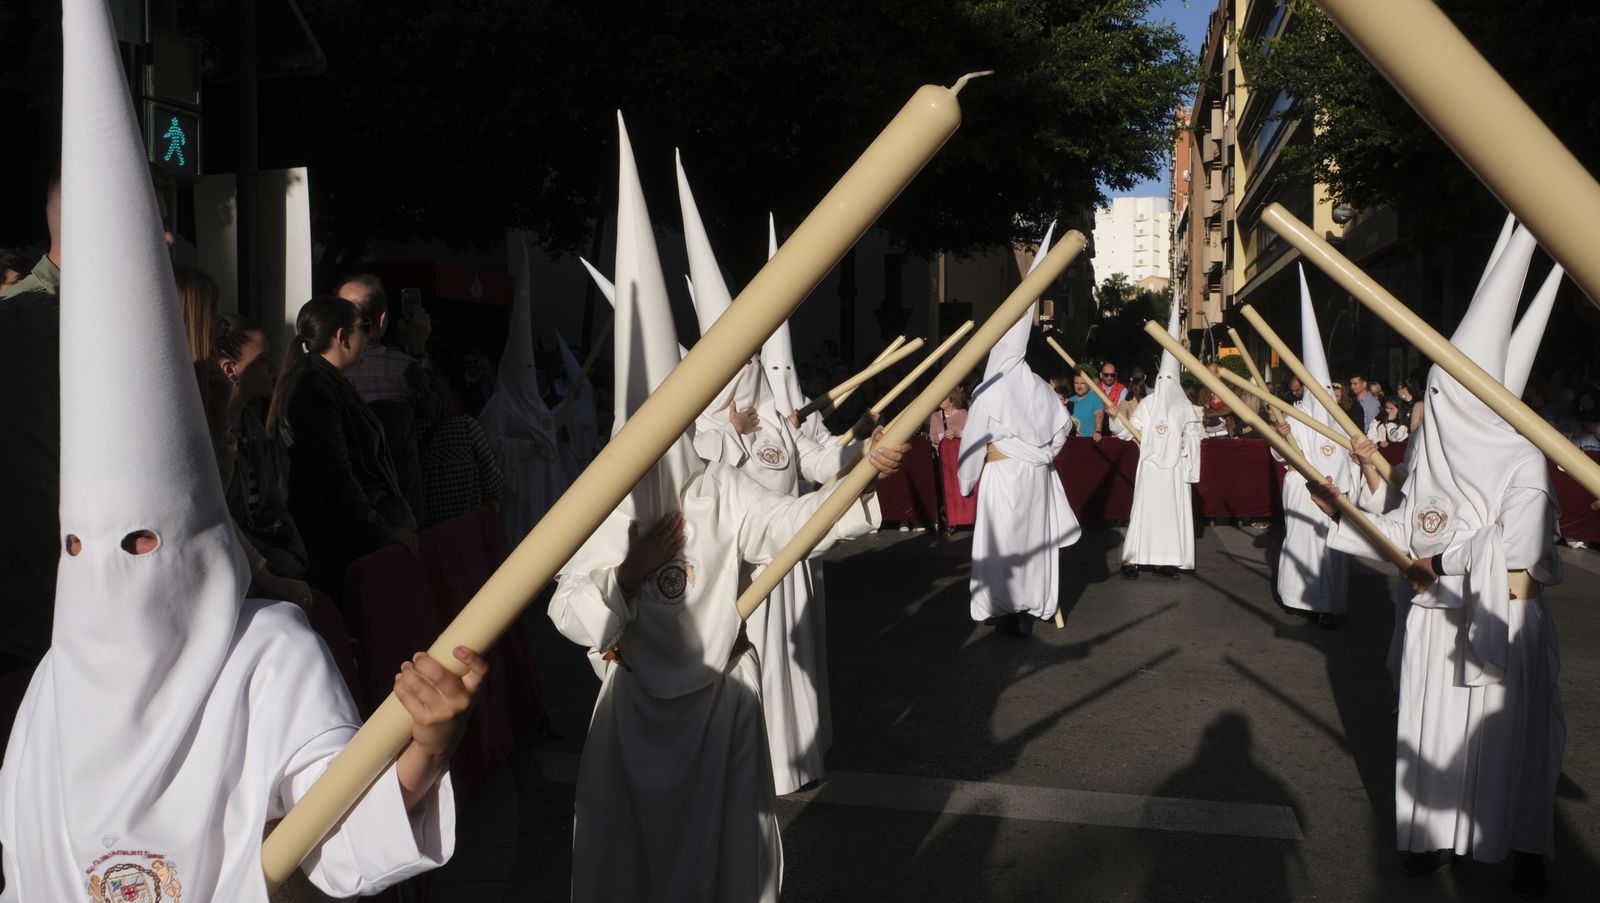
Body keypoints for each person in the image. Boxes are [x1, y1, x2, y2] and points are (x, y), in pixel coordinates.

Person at [0, 2, 475, 893]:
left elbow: (339, 833)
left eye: (140, 543)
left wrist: (426, 747)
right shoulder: (50, 692)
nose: (109, 569)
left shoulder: (268, 659)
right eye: (80, 548)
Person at [549, 118, 907, 902]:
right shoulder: (602, 506)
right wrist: (626, 577)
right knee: (623, 867)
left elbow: (791, 528)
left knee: (733, 868)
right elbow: (566, 604)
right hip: (633, 713)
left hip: (718, 711)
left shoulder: (716, 488)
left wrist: (860, 479)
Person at [1319, 223, 1563, 898]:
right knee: (1431, 737)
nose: (1436, 405)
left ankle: (1524, 846)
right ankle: (1432, 833)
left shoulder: (1524, 458)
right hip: (1438, 621)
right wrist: (1351, 508)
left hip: (1502, 621)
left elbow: (1520, 546)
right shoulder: (1432, 452)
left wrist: (1439, 563)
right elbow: (1407, 524)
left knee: (1514, 741)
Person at [958, 224, 1081, 636]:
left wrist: (967, 479)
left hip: (1003, 477)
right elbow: (1065, 426)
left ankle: (1007, 610)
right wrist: (1044, 455)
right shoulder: (1038, 386)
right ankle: (1031, 606)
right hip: (1036, 477)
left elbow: (973, 441)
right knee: (1032, 542)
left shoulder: (989, 390)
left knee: (1005, 544)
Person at [269, 296, 417, 596]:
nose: (370, 335)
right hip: (341, 548)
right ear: (342, 336)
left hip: (350, 540)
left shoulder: (326, 381)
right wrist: (377, 533)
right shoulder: (314, 386)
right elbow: (333, 474)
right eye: (364, 327)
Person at [0, 177, 64, 674]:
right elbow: (32, 487)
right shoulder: (29, 324)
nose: (169, 237)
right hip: (48, 634)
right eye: (157, 219)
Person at [1273, 267, 1356, 628]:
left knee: (1331, 549)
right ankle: (1297, 598)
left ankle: (1328, 604)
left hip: (1334, 492)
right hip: (1301, 491)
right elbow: (1280, 454)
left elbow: (1352, 456)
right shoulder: (1293, 414)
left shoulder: (1342, 420)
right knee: (1303, 542)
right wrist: (1280, 433)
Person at [478, 239, 564, 544]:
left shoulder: (536, 404)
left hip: (540, 490)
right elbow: (490, 448)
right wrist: (526, 447)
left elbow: (549, 430)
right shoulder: (499, 407)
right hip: (518, 496)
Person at [339, 274, 430, 523]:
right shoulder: (405, 368)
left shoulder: (324, 373)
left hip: (345, 505)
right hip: (400, 505)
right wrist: (418, 347)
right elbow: (433, 412)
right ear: (383, 321)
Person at [1120, 302, 1202, 580]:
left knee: (1170, 516)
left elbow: (1194, 436)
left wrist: (1183, 449)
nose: (1166, 382)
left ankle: (1166, 560)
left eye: (1170, 377)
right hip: (1151, 467)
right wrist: (1116, 418)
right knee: (1146, 512)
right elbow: (1129, 430)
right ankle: (1133, 559)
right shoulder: (1149, 403)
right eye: (1162, 378)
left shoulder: (1184, 406)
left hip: (1175, 469)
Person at [1067, 372, 1104, 438]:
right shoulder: (1068, 401)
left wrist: (1097, 431)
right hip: (1071, 442)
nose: (1079, 386)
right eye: (1076, 383)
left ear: (1088, 384)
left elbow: (1099, 415)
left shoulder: (1094, 397)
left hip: (1088, 441)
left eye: (1082, 383)